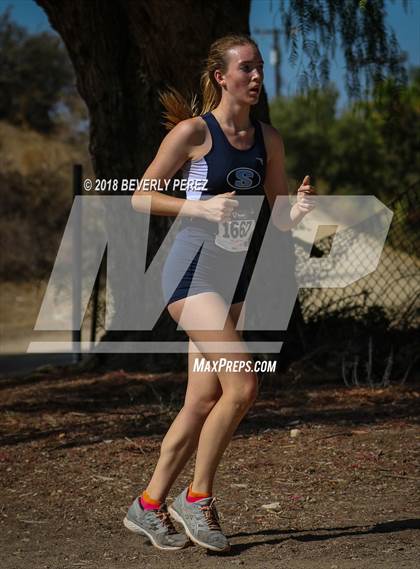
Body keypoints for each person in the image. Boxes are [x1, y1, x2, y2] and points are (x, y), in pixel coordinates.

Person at [123, 34, 316, 552]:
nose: (256, 77)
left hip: (231, 278)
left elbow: (274, 218)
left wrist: (295, 212)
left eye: (259, 69)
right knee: (243, 387)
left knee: (203, 398)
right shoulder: (194, 133)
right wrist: (199, 208)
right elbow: (140, 196)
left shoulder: (267, 140)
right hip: (189, 273)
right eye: (245, 69)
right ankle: (198, 497)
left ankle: (147, 505)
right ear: (221, 77)